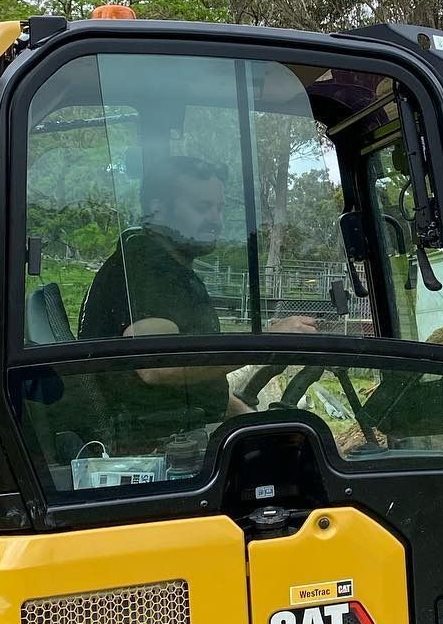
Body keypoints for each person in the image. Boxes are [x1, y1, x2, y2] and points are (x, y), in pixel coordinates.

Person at [81, 153, 313, 452]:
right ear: (158, 210)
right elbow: (157, 367)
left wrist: (243, 416)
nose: (216, 219)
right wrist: (266, 343)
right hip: (157, 448)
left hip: (179, 432)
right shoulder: (149, 269)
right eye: (203, 207)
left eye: (219, 208)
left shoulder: (166, 264)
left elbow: (191, 384)